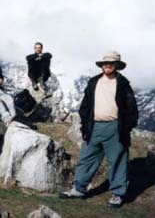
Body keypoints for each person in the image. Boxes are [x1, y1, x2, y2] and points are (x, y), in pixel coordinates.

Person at [59, 51, 138, 208]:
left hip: (115, 127)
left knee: (117, 160)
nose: (107, 65)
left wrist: (126, 128)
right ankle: (78, 189)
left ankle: (117, 194)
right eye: (105, 63)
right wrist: (85, 123)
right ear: (102, 65)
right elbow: (85, 105)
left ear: (117, 66)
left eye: (111, 63)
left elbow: (131, 109)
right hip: (94, 126)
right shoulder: (94, 82)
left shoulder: (123, 84)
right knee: (86, 158)